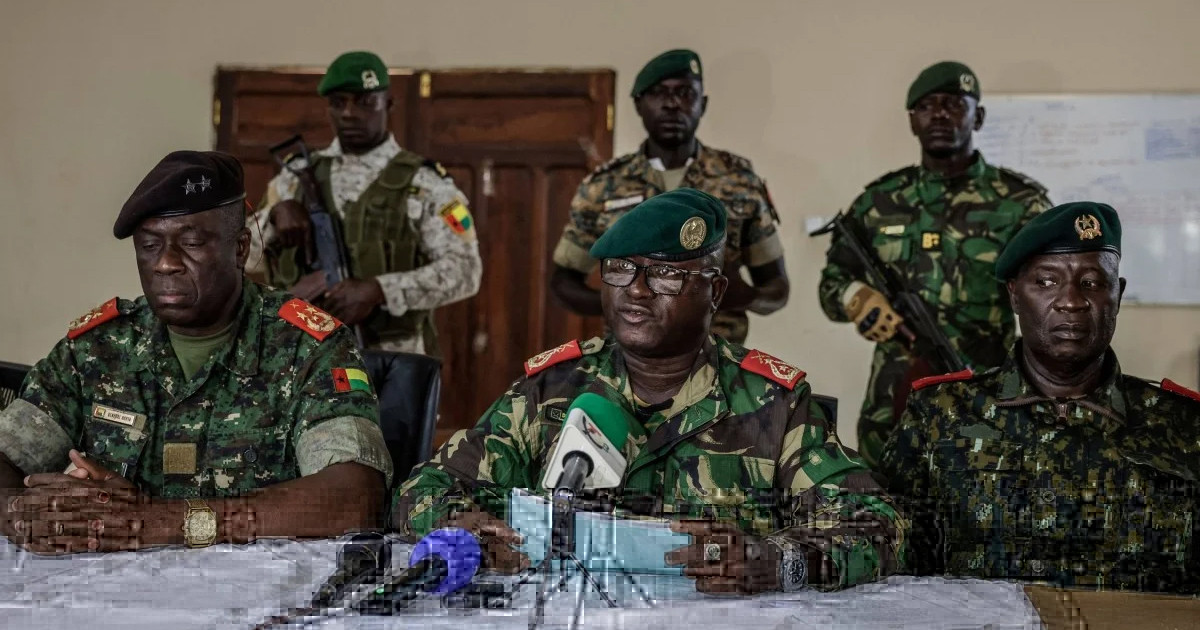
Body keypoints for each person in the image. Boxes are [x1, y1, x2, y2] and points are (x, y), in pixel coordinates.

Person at [395, 189, 904, 594]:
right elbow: (423, 489)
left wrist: (781, 560)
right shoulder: (549, 390)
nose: (636, 290)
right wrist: (463, 523)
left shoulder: (773, 404)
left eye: (664, 274)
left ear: (716, 292)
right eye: (620, 268)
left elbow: (878, 524)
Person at [0, 151, 392, 555]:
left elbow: (355, 495)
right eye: (150, 245)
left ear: (240, 248)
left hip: (259, 596)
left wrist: (160, 521)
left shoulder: (306, 347)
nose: (166, 264)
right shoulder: (95, 350)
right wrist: (22, 512)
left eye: (190, 243)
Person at [881, 202, 1200, 593]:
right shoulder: (939, 415)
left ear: (1117, 294)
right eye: (1047, 282)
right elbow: (893, 562)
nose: (1071, 301)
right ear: (1015, 296)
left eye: (1093, 283)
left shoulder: (1184, 425)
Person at [818, 60, 1053, 467]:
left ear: (977, 116)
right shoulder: (879, 201)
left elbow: (1050, 295)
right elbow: (831, 285)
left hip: (987, 395)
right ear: (912, 121)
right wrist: (855, 296)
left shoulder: (1020, 203)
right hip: (892, 402)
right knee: (886, 512)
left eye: (954, 104)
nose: (941, 114)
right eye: (928, 106)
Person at [247, 50, 482, 355]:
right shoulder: (294, 178)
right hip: (300, 355)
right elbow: (241, 257)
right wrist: (273, 217)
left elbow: (466, 272)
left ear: (388, 104)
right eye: (338, 103)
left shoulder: (424, 183)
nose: (349, 113)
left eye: (364, 102)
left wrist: (379, 290)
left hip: (391, 356)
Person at [550, 49, 788, 345]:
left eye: (686, 93)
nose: (673, 104)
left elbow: (777, 289)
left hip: (717, 360)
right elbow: (562, 282)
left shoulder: (739, 181)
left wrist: (744, 296)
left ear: (703, 104)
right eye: (658, 93)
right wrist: (620, 299)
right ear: (638, 104)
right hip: (629, 359)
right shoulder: (604, 186)